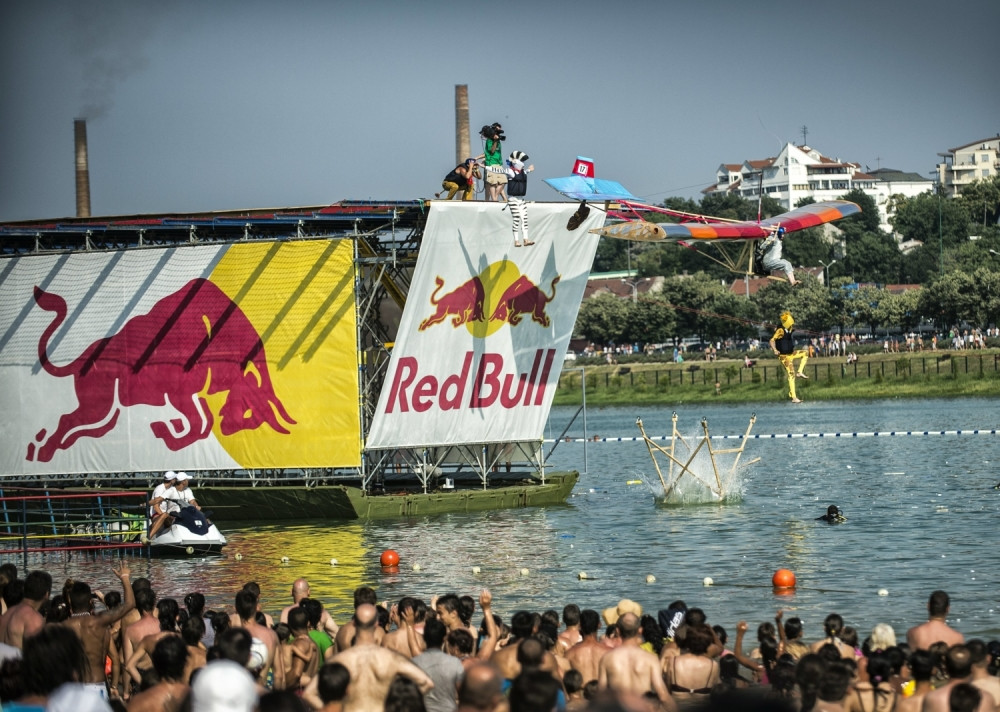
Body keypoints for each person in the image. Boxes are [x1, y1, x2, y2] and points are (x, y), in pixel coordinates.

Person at [329, 603, 434, 712]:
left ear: (354, 623)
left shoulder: (342, 658)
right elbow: (426, 682)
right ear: (376, 624)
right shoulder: (388, 657)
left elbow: (311, 693)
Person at [63, 560, 135, 701]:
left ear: (70, 602)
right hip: (96, 686)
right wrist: (125, 577)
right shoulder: (99, 622)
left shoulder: (61, 627)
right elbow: (130, 604)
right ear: (91, 602)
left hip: (72, 689)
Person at [597, 612, 677, 710]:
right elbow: (663, 696)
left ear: (617, 631)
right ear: (640, 630)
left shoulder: (607, 658)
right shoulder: (650, 659)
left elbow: (600, 695)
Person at [412, 618, 464, 712]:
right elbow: (462, 694)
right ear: (444, 638)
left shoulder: (414, 663)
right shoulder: (454, 662)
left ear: (424, 637)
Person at [126, 636, 189, 712]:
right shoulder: (192, 698)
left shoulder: (138, 702)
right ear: (184, 663)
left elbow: (128, 666)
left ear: (155, 663)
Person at [0, 570, 51, 649]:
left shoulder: (6, 614)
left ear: (24, 589)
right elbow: (36, 654)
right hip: (18, 661)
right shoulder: (33, 618)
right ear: (47, 594)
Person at [770, 310, 809, 404]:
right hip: (784, 357)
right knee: (791, 373)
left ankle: (800, 372)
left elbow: (792, 330)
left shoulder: (790, 328)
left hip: (791, 354)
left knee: (805, 353)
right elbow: (771, 340)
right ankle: (794, 397)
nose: (791, 324)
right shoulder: (780, 330)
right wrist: (775, 349)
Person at [503, 150, 535, 247]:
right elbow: (499, 170)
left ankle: (526, 239)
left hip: (521, 199)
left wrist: (530, 169)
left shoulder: (522, 172)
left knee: (524, 219)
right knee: (516, 218)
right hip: (513, 199)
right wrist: (486, 167)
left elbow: (526, 172)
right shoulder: (510, 172)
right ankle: (516, 240)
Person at [147, 471, 179, 540]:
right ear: (172, 480)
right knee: (166, 516)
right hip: (156, 515)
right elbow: (156, 506)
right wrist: (164, 515)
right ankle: (149, 537)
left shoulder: (168, 489)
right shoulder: (160, 489)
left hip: (162, 514)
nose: (176, 480)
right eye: (175, 479)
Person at [478, 123, 506, 202]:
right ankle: (493, 200)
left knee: (503, 181)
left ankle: (495, 198)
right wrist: (495, 141)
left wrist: (497, 140)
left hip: (498, 163)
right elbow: (492, 151)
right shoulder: (489, 141)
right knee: (492, 184)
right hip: (491, 164)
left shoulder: (497, 140)